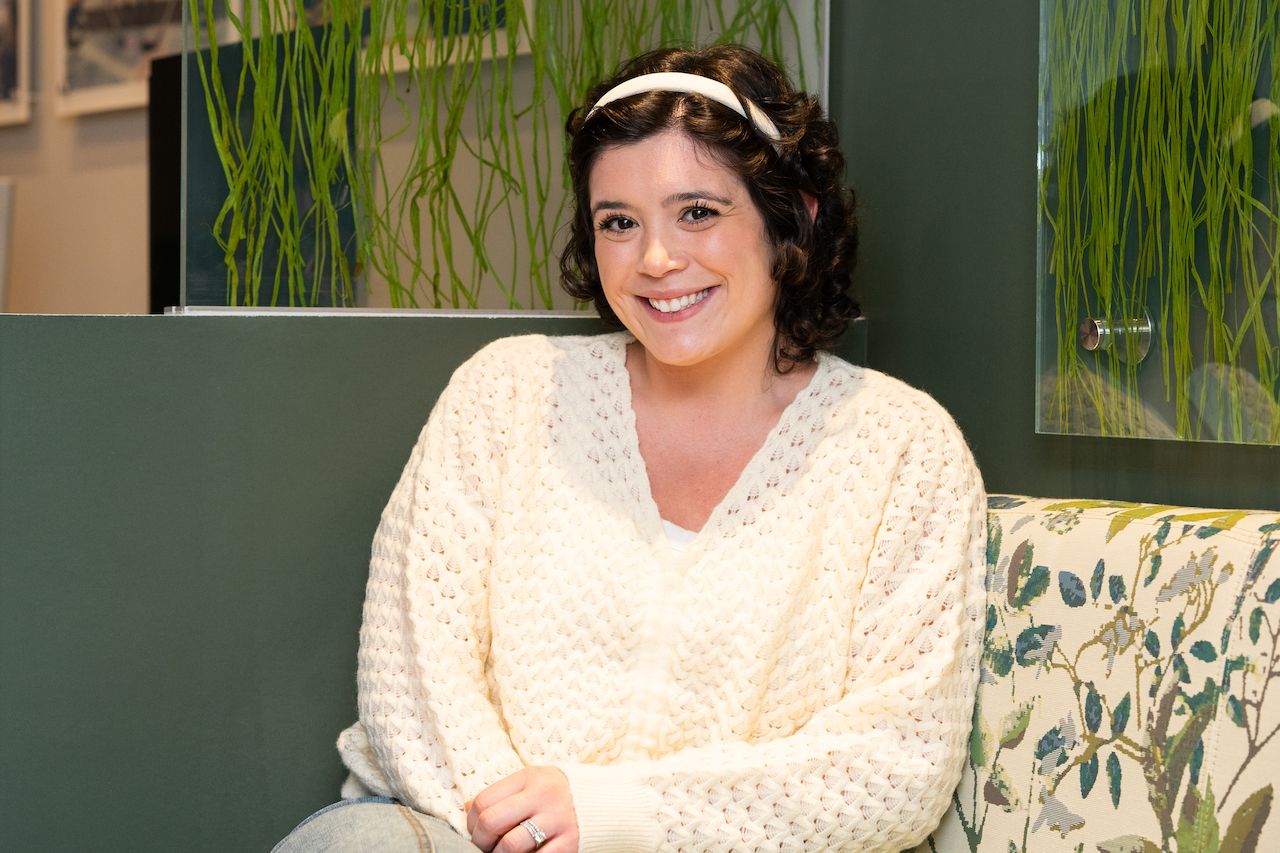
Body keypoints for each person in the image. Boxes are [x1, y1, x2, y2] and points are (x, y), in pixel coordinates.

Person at [275, 43, 986, 853]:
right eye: (619, 222)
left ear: (795, 217)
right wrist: (537, 835)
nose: (655, 259)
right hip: (460, 837)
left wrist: (622, 820)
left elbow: (899, 759)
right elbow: (414, 689)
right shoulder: (506, 396)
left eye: (698, 212)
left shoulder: (902, 448)